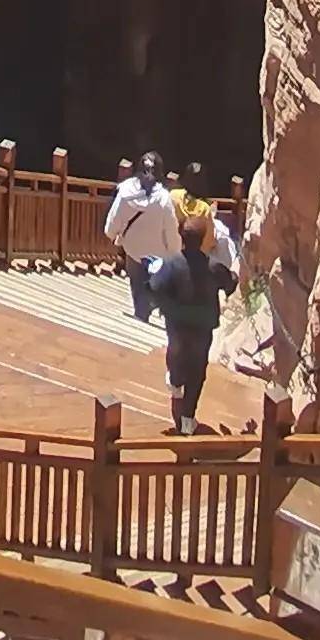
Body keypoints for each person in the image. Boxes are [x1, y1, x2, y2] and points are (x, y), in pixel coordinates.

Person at [156, 198, 233, 434]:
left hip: (177, 323)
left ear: (181, 236)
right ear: (202, 239)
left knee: (176, 352)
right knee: (198, 369)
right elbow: (229, 285)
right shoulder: (214, 267)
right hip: (202, 326)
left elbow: (155, 287)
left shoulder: (170, 264)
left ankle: (176, 382)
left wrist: (165, 305)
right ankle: (188, 418)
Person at [103, 153, 181, 327]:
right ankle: (149, 307)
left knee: (137, 284)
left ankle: (141, 315)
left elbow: (115, 217)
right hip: (156, 252)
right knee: (154, 283)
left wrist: (111, 233)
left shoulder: (126, 190)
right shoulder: (163, 199)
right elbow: (171, 229)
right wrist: (174, 251)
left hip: (133, 249)